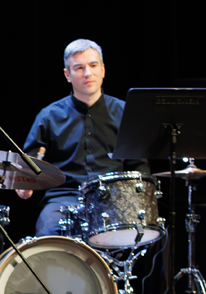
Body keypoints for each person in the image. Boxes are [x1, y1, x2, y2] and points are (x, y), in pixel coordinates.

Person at [17, 39, 149, 237]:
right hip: (63, 199)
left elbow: (139, 167)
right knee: (48, 231)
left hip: (115, 199)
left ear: (103, 70)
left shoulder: (125, 113)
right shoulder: (49, 116)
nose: (88, 73)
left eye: (93, 66)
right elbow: (29, 163)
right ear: (67, 75)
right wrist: (24, 182)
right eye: (79, 68)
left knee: (152, 236)